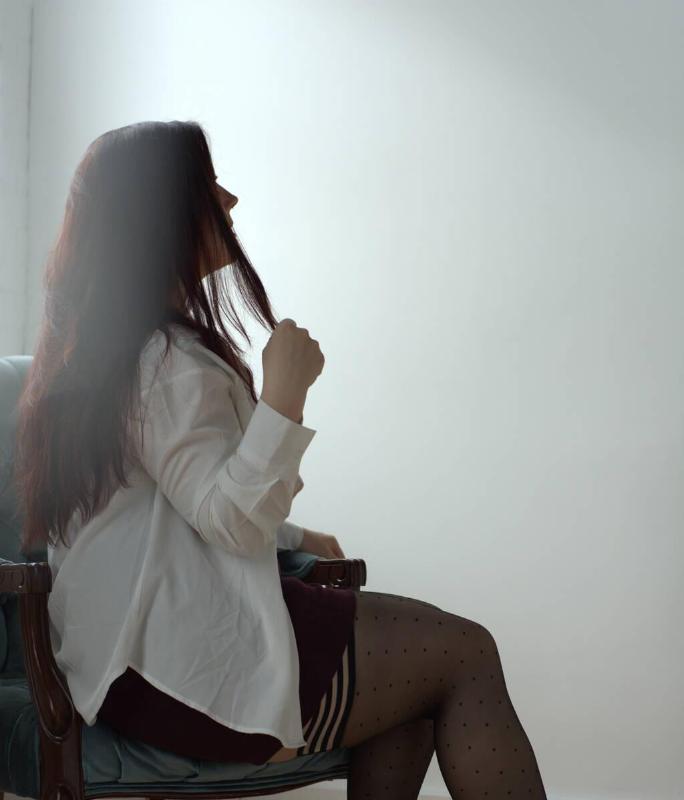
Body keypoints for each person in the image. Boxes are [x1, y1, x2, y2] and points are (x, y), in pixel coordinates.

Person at [13, 120, 548, 798]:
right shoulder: (164, 361)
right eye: (209, 185)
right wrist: (285, 395)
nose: (229, 201)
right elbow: (231, 522)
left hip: (128, 666)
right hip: (179, 668)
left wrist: (294, 535)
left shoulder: (111, 356)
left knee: (413, 692)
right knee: (466, 654)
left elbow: (171, 506)